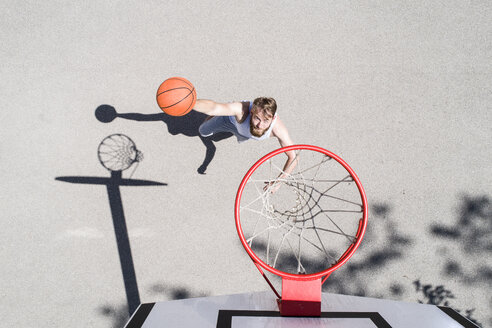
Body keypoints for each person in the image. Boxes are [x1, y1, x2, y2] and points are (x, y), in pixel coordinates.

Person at [194, 97, 297, 193]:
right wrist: (191, 103)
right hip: (229, 121)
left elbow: (293, 157)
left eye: (266, 121)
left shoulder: (278, 129)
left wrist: (279, 182)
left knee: (240, 135)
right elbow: (214, 107)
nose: (260, 125)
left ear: (273, 118)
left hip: (244, 133)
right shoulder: (242, 110)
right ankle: (223, 113)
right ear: (251, 112)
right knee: (203, 131)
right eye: (257, 118)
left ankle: (232, 124)